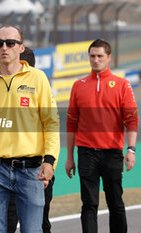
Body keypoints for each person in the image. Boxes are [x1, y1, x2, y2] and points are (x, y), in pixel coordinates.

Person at [0, 25, 60, 233]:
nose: (4, 47)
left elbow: (51, 123)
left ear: (21, 47)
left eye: (10, 43)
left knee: (32, 230)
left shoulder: (38, 78)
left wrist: (50, 161)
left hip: (31, 169)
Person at [65, 39, 139, 233]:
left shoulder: (122, 85)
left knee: (115, 202)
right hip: (86, 153)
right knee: (89, 204)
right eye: (92, 56)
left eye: (100, 56)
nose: (95, 60)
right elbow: (71, 124)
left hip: (112, 153)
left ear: (109, 58)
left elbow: (131, 120)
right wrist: (70, 158)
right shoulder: (78, 85)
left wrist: (131, 150)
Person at [6, 47, 55, 233]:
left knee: (37, 222)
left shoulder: (40, 88)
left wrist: (47, 167)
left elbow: (51, 130)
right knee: (34, 221)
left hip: (35, 168)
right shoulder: (2, 90)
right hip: (11, 168)